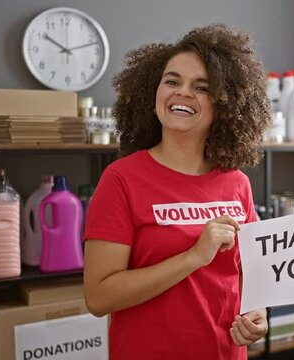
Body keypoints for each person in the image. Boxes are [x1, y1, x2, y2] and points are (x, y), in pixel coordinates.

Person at [83, 24, 271, 360]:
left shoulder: (237, 182)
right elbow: (99, 297)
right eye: (172, 81)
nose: (182, 92)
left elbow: (249, 274)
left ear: (224, 104)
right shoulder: (122, 179)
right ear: (152, 92)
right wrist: (193, 257)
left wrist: (257, 314)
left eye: (201, 87)